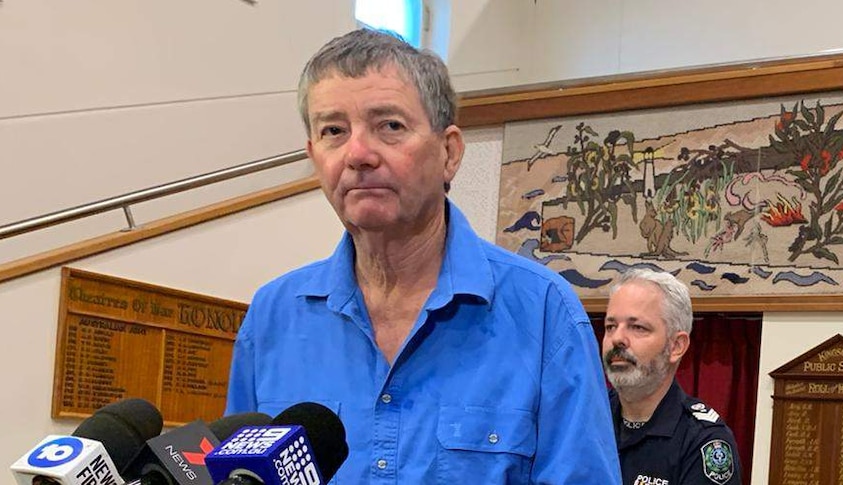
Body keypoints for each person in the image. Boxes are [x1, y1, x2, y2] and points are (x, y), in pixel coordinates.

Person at [225, 28, 621, 484]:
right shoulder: (272, 319)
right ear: (314, 156)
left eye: (389, 126)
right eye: (334, 130)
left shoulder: (543, 314)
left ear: (449, 153)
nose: (358, 153)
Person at [602, 268, 742, 485]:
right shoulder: (586, 417)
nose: (617, 338)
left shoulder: (704, 441)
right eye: (610, 326)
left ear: (676, 346)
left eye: (637, 327)